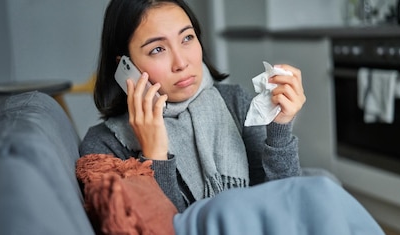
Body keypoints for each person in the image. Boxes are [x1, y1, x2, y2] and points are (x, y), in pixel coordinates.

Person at [79, 0, 305, 212]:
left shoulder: (234, 101)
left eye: (187, 38)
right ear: (125, 66)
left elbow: (286, 203)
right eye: (157, 49)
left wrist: (280, 128)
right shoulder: (102, 146)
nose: (181, 63)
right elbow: (162, 227)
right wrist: (155, 156)